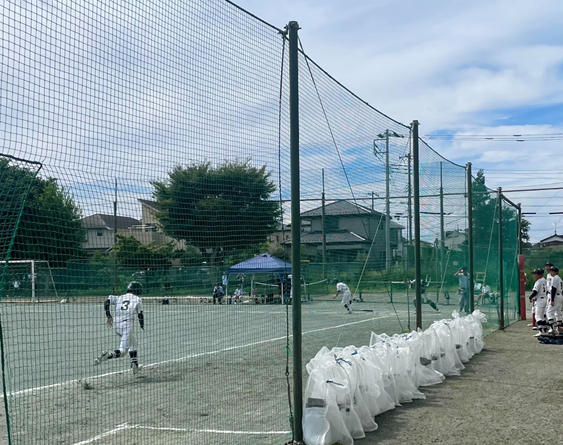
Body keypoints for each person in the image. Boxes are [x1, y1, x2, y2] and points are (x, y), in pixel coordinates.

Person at [94, 281, 144, 374]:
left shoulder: (120, 297)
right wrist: (142, 325)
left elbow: (106, 302)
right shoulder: (137, 299)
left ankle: (134, 364)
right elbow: (140, 315)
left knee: (133, 341)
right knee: (123, 351)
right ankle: (108, 356)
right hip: (127, 326)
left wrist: (108, 315)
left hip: (117, 325)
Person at [528, 269, 548, 336]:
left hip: (540, 300)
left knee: (537, 316)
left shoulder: (538, 282)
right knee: (542, 316)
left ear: (539, 275)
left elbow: (535, 292)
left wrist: (530, 297)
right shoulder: (545, 280)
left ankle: (541, 331)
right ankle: (544, 329)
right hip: (544, 299)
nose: (533, 275)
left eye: (535, 274)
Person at [546, 266, 563, 334]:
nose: (551, 272)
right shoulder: (560, 279)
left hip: (555, 296)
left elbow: (553, 289)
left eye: (552, 271)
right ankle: (559, 327)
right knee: (558, 312)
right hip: (560, 295)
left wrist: (552, 300)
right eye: (550, 271)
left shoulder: (555, 278)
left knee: (549, 312)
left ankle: (552, 328)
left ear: (556, 272)